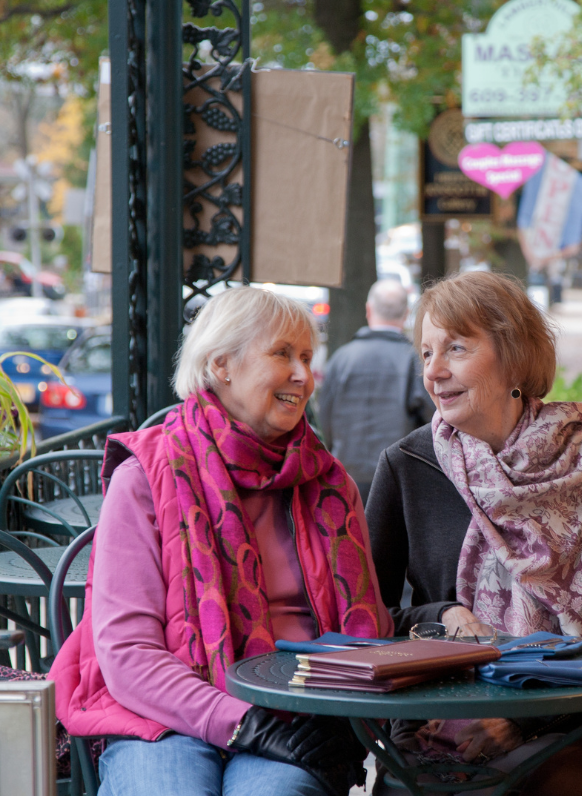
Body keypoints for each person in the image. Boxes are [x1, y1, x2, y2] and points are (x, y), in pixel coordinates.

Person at [50, 286, 394, 796]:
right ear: (221, 364)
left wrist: (337, 723)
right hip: (162, 716)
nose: (303, 375)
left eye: (306, 357)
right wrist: (244, 723)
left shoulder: (330, 483)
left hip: (295, 718)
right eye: (282, 354)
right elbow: (129, 655)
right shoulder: (147, 476)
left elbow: (368, 631)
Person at [366, 271, 582, 791]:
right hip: (436, 719)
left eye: (455, 348)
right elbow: (363, 621)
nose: (435, 371)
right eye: (426, 354)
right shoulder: (407, 465)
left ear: (514, 355)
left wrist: (522, 718)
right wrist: (439, 615)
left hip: (577, 719)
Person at [319, 279, 433, 503]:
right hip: (398, 474)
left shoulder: (341, 358)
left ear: (368, 309)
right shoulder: (414, 360)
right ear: (406, 313)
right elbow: (431, 418)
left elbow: (325, 418)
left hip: (346, 473)